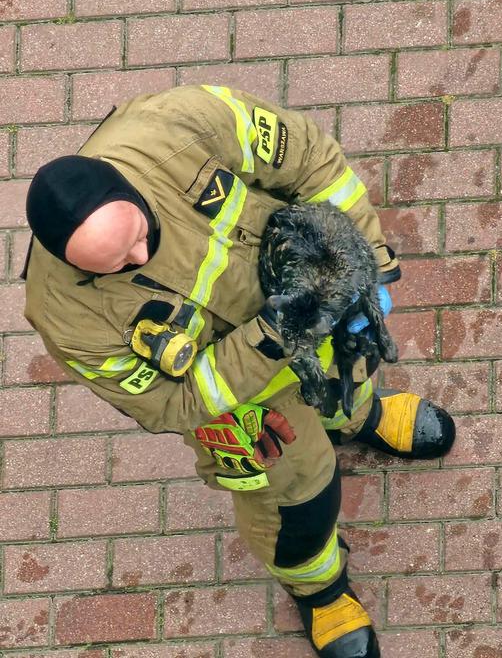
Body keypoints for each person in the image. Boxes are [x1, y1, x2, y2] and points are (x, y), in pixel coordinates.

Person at [22, 85, 455, 658]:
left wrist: (364, 261)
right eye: (113, 268)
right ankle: (319, 590)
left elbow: (311, 158)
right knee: (295, 504)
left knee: (353, 366)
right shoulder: (64, 316)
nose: (138, 260)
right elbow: (170, 403)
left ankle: (361, 416)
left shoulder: (174, 123)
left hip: (315, 300)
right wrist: (273, 337)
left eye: (137, 238)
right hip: (247, 406)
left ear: (125, 186)